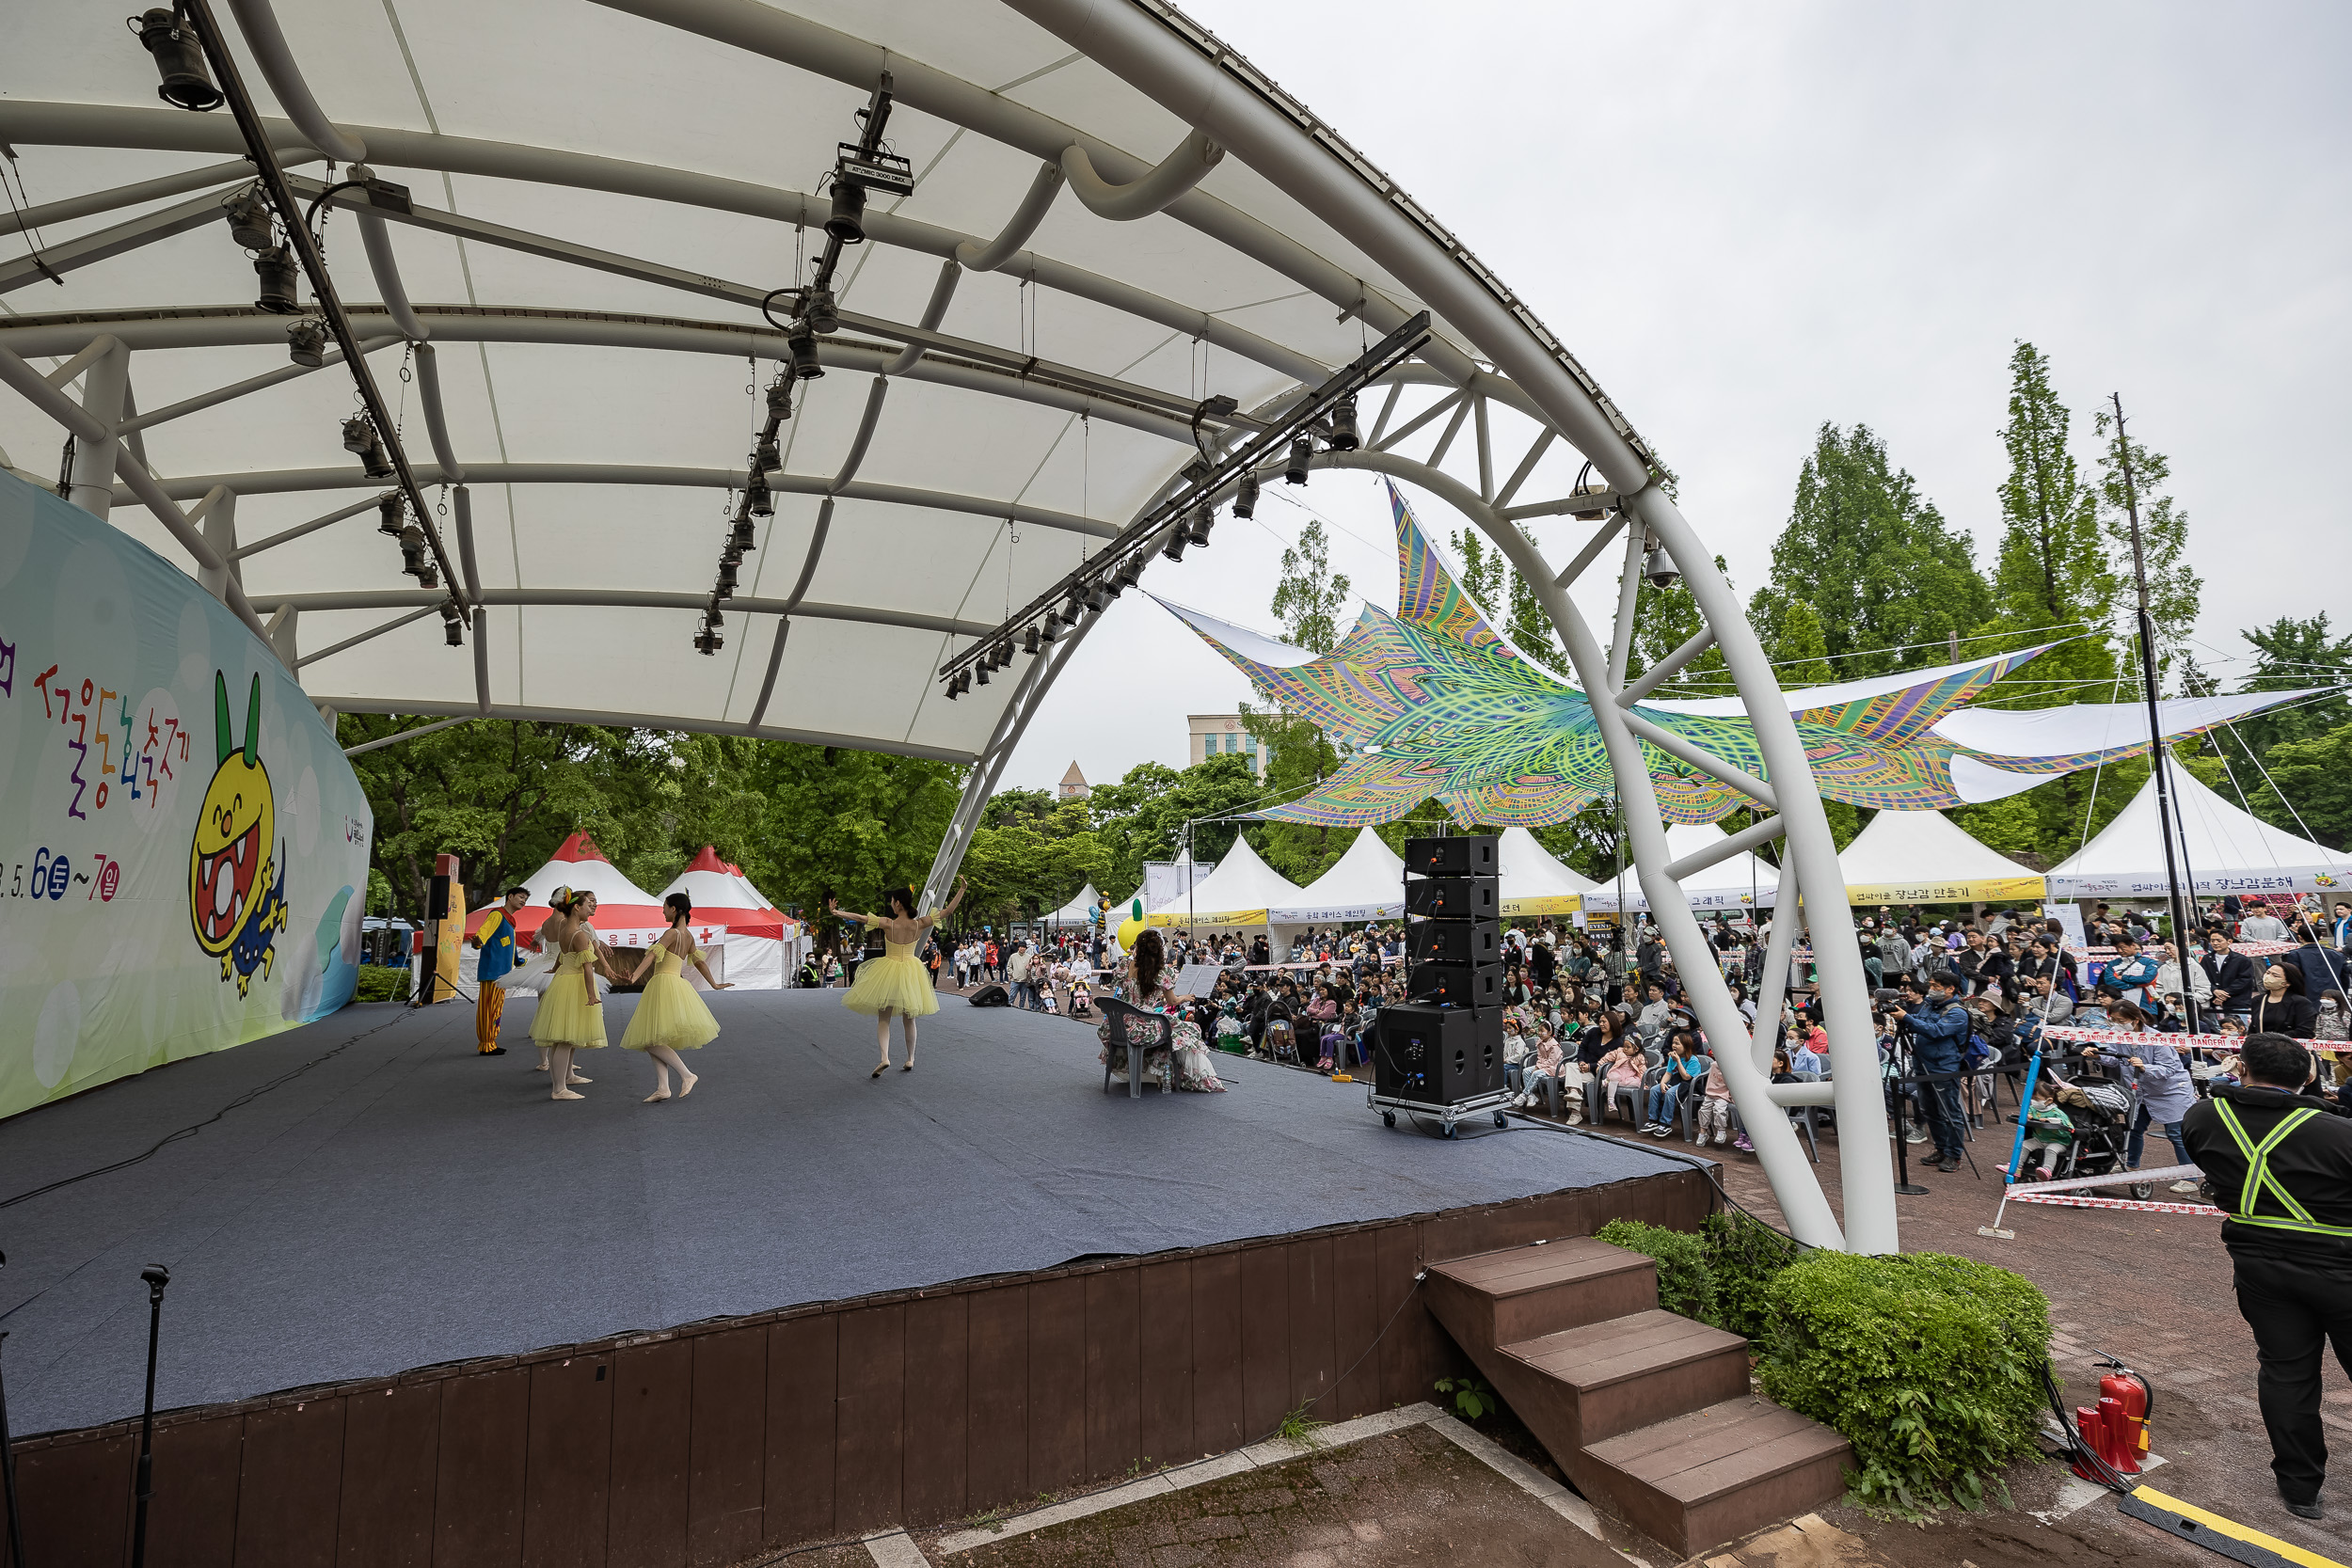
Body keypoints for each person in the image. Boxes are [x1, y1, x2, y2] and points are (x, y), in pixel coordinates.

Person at [2182, 1033, 2352, 1523]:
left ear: (2240, 1068)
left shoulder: (2203, 1116)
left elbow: (2209, 1164)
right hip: (2340, 1268)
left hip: (2259, 1266)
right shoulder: (2335, 1133)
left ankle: (2300, 1488)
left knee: (2286, 1371)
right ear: (2310, 1077)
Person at [832, 877, 967, 1076]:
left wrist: (837, 912)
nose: (891, 905)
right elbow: (948, 912)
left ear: (898, 903)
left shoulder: (888, 923)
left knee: (884, 1018)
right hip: (911, 970)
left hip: (888, 969)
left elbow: (860, 917)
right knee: (909, 1019)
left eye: (892, 901)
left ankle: (884, 1057)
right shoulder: (919, 924)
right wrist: (962, 889)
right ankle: (910, 1059)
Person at [619, 894, 730, 1101]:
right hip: (674, 984)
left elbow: (652, 956)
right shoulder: (688, 936)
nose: (662, 910)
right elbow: (699, 962)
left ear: (674, 909)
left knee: (651, 1039)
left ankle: (687, 1075)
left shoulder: (671, 934)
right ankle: (663, 1088)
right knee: (654, 1037)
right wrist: (714, 984)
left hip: (663, 984)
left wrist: (634, 976)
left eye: (664, 906)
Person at [1097, 928, 1228, 1092]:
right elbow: (1172, 1001)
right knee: (1189, 1030)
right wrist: (1185, 997)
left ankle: (1161, 1073)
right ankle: (1187, 1076)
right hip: (1144, 1024)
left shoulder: (1124, 965)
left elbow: (1121, 986)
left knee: (1169, 1028)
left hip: (1118, 1024)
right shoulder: (1162, 972)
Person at [532, 891, 614, 1101]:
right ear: (577, 907)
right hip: (573, 984)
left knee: (567, 1036)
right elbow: (588, 968)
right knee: (566, 1038)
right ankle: (559, 1088)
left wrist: (554, 968)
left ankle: (566, 1078)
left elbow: (562, 955)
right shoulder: (580, 934)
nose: (592, 907)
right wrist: (591, 994)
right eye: (589, 904)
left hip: (563, 981)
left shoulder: (564, 929)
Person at [1891, 970, 1971, 1173]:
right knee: (1930, 1110)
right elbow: (1921, 1023)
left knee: (1949, 1111)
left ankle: (1954, 1155)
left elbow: (1936, 1031)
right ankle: (1941, 1148)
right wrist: (1905, 1018)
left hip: (1944, 1067)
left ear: (1950, 989)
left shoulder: (1957, 1012)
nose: (1931, 989)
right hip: (1922, 1064)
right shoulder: (1928, 1005)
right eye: (1931, 985)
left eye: (1936, 986)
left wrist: (1907, 1018)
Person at [468, 886, 530, 1056]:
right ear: (510, 897)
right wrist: (478, 942)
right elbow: (483, 934)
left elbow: (510, 946)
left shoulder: (509, 921)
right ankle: (486, 1044)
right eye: (521, 897)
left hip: (502, 973)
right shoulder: (497, 915)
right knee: (488, 1008)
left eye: (525, 899)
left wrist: (520, 962)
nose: (523, 901)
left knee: (495, 1009)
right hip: (492, 971)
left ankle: (491, 1042)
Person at [2253, 962, 2318, 1039]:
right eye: (2268, 973)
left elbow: (2305, 1032)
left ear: (2287, 983)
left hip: (2288, 1048)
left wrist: (2272, 1039)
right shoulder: (2257, 1001)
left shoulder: (2300, 1002)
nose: (2268, 977)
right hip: (2260, 1048)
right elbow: (2253, 1028)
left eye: (2275, 975)